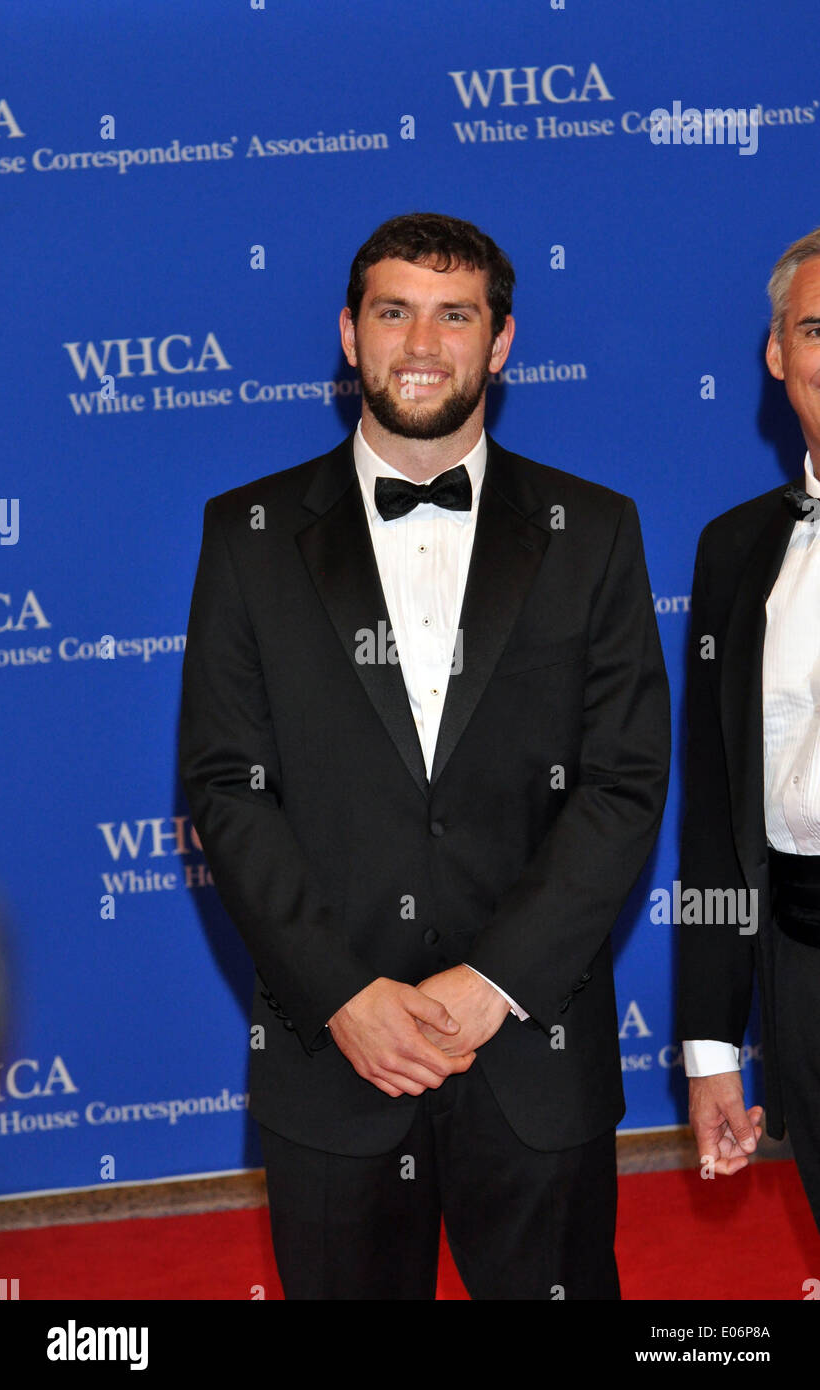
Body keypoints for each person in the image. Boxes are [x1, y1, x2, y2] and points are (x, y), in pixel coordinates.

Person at [179, 211, 670, 1300]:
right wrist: (346, 992)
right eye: (393, 312)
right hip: (332, 1056)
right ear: (348, 335)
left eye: (456, 316)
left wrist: (493, 982)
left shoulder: (592, 529)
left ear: (500, 345)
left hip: (532, 1050)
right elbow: (225, 784)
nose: (421, 343)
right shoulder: (245, 534)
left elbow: (623, 780)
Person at [678, 226, 820, 1231]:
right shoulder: (733, 552)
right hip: (800, 961)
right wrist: (712, 1047)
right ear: (777, 357)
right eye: (818, 329)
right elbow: (715, 823)